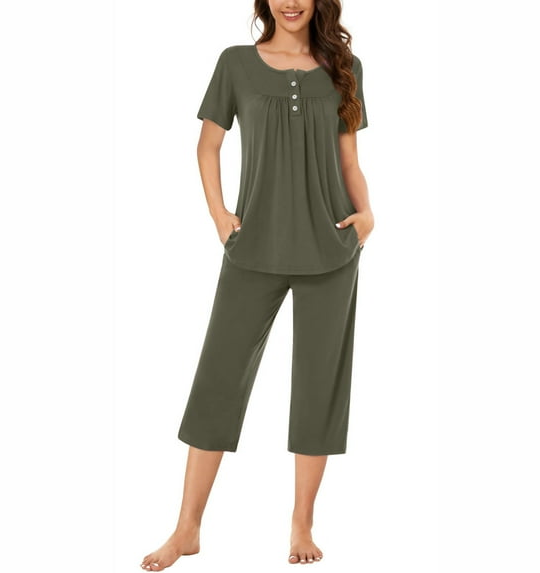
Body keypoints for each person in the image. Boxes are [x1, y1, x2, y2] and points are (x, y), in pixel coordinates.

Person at [140, 0, 374, 569]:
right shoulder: (236, 63)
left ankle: (302, 523)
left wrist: (366, 214)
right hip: (253, 249)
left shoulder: (345, 67)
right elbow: (208, 144)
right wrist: (220, 216)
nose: (291, 2)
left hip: (332, 247)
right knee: (218, 379)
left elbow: (348, 158)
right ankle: (187, 528)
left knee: (319, 388)